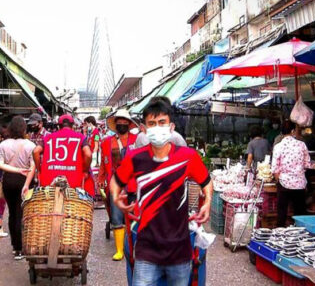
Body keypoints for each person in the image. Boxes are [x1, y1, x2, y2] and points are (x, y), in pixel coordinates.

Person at [111, 99, 213, 286]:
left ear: (171, 126)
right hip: (147, 249)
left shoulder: (187, 156)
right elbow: (115, 181)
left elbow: (206, 181)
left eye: (162, 123)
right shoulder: (135, 158)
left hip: (179, 248)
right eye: (152, 124)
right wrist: (117, 198)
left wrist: (207, 202)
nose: (157, 128)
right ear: (144, 128)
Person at [97, 109, 138, 261]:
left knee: (136, 215)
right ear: (115, 124)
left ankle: (135, 247)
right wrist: (100, 179)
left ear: (129, 123)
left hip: (135, 183)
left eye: (124, 121)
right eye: (119, 122)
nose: (122, 124)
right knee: (116, 216)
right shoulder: (106, 142)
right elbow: (103, 163)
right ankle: (120, 250)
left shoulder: (138, 140)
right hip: (116, 184)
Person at [0, 116, 36, 260]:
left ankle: (16, 247)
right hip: (25, 179)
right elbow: (33, 167)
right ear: (24, 129)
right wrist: (26, 184)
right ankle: (23, 246)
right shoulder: (31, 145)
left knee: (12, 213)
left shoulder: (3, 145)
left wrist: (14, 170)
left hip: (8, 180)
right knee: (24, 213)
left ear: (11, 129)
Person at [33, 114, 92, 191]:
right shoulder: (80, 137)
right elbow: (88, 154)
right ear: (73, 125)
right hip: (73, 183)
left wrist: (39, 170)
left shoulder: (48, 138)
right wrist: (85, 171)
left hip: (49, 183)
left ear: (58, 126)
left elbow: (35, 151)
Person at [271, 120, 311, 227]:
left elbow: (274, 169)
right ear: (293, 131)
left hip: (284, 183)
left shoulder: (278, 147)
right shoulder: (302, 145)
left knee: (282, 213)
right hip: (300, 184)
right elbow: (307, 164)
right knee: (300, 213)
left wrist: (278, 179)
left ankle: (280, 234)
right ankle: (301, 235)